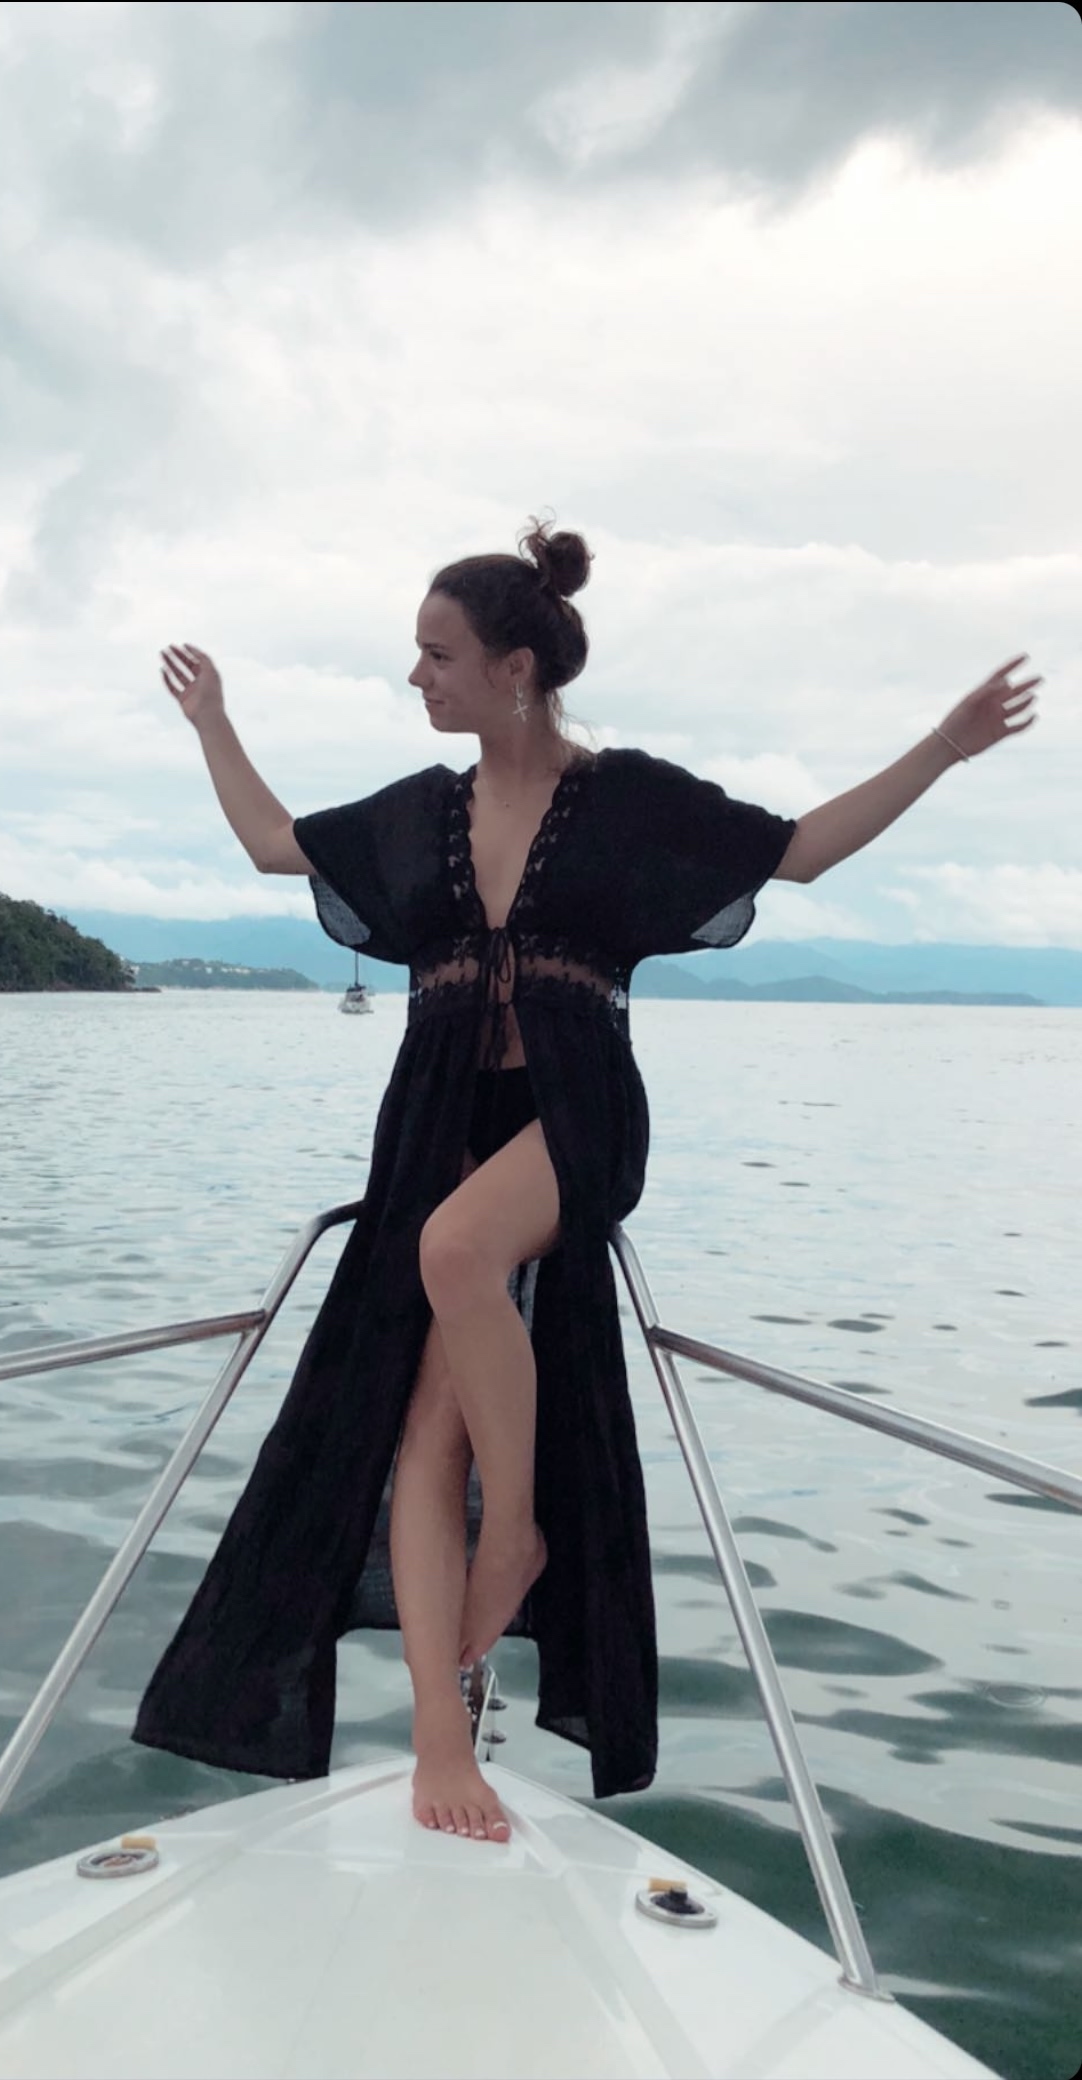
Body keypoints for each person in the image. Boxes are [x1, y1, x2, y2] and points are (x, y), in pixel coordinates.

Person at [133, 517, 1039, 1845]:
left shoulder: (625, 801)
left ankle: (517, 1538)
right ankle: (440, 1737)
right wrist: (214, 719)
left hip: (576, 1115)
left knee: (453, 1253)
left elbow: (799, 849)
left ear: (514, 667)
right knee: (418, 1432)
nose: (415, 676)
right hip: (437, 1120)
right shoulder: (421, 812)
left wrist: (944, 746)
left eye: (436, 654)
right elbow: (275, 843)